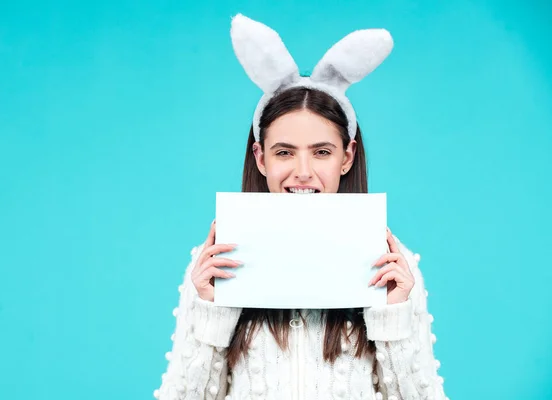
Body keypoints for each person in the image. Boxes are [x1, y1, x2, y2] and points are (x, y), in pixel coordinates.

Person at [155, 14, 447, 400]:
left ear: (347, 157)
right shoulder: (212, 266)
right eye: (284, 152)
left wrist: (392, 317)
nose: (303, 172)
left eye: (322, 152)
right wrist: (211, 312)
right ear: (260, 158)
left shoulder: (394, 265)